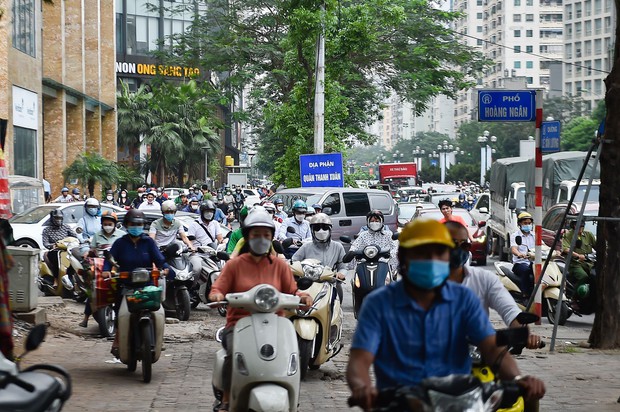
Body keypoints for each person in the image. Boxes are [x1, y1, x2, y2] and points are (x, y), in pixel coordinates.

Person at [346, 219, 546, 410]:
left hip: (457, 401)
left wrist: (518, 379)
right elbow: (360, 360)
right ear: (403, 257)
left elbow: (492, 348)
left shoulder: (463, 299)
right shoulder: (378, 304)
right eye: (422, 253)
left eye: (439, 252)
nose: (432, 259)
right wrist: (362, 387)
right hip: (399, 404)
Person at [208, 209, 313, 412]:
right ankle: (227, 399)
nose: (261, 240)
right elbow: (218, 288)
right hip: (239, 324)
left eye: (266, 235)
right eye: (256, 235)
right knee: (232, 355)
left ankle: (292, 398)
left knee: (291, 356)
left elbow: (292, 290)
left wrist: (303, 297)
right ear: (247, 237)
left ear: (272, 238)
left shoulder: (280, 266)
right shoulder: (234, 265)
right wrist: (217, 295)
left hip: (275, 324)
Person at [444, 221, 541, 349]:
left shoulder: (484, 279)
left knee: (505, 364)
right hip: (435, 354)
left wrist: (524, 335)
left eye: (465, 245)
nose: (459, 250)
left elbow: (510, 311)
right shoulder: (422, 282)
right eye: (453, 244)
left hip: (478, 349)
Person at [102, 209, 169, 357]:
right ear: (126, 225)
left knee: (157, 312)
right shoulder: (120, 243)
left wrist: (165, 268)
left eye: (139, 224)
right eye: (132, 224)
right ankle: (119, 339)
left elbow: (159, 260)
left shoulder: (149, 242)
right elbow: (109, 260)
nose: (136, 227)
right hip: (126, 286)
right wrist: (107, 270)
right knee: (121, 314)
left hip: (147, 286)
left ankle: (158, 340)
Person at [79, 211, 126, 328]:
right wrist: (87, 254)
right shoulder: (97, 235)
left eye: (110, 224)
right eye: (105, 224)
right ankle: (85, 318)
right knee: (91, 290)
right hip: (100, 267)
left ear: (115, 224)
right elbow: (92, 250)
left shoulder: (122, 235)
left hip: (117, 267)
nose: (108, 226)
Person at [292, 213, 347, 300]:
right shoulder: (306, 246)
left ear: (330, 229)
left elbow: (343, 266)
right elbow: (294, 261)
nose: (321, 231)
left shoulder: (338, 246)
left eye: (325, 227)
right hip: (308, 285)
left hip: (329, 285)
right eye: (317, 228)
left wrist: (341, 274)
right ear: (312, 230)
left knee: (335, 308)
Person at [188, 201, 224, 278]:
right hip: (198, 254)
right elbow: (189, 241)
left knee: (223, 267)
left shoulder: (215, 223)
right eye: (207, 211)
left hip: (212, 253)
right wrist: (192, 247)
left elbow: (220, 238)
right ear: (202, 212)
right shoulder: (194, 225)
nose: (209, 214)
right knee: (197, 269)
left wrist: (222, 242)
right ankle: (193, 288)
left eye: (211, 211)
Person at [561, 217, 596, 294]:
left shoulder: (589, 235)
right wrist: (578, 255)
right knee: (583, 277)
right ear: (573, 225)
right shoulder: (568, 235)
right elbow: (565, 249)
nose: (580, 228)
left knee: (596, 275)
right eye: (578, 226)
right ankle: (575, 297)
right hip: (575, 263)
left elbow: (598, 247)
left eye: (582, 226)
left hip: (588, 262)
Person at [42, 210, 78, 279]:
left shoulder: (66, 227)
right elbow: (45, 243)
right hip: (55, 250)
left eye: (60, 218)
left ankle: (71, 277)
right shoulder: (46, 230)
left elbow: (75, 236)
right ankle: (56, 279)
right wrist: (52, 245)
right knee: (56, 260)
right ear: (52, 218)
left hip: (67, 249)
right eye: (56, 218)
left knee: (74, 260)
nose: (58, 220)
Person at [510, 212, 536, 300]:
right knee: (526, 271)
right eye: (525, 223)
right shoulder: (515, 236)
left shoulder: (535, 235)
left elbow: (543, 246)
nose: (528, 225)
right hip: (520, 263)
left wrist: (554, 251)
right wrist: (519, 254)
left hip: (534, 263)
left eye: (529, 223)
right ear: (519, 224)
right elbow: (514, 248)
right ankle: (525, 294)